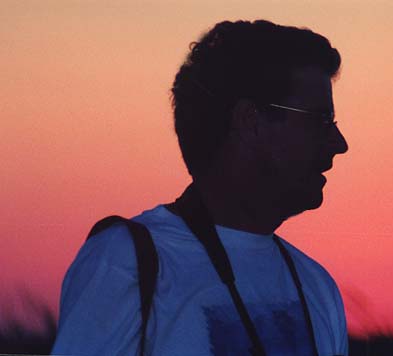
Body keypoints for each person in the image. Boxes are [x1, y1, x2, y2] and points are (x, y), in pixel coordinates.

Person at [51, 19, 349, 356]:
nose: (339, 143)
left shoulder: (318, 289)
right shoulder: (125, 263)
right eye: (321, 120)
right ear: (250, 120)